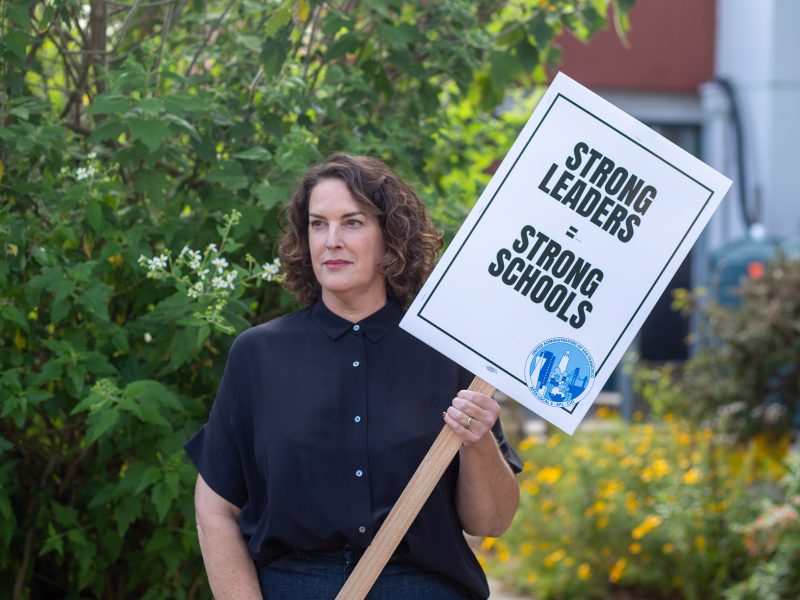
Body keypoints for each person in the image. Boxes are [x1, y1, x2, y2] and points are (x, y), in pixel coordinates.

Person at [185, 153, 522, 599]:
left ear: (390, 237)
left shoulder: (447, 351)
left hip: (423, 586)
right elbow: (214, 510)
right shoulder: (259, 355)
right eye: (318, 224)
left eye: (353, 222)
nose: (332, 241)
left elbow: (491, 522)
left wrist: (479, 444)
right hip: (296, 586)